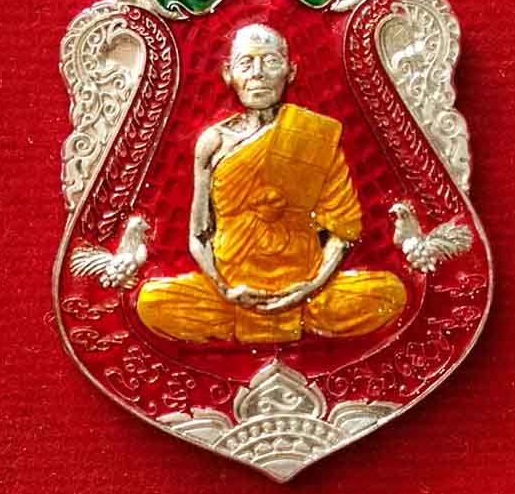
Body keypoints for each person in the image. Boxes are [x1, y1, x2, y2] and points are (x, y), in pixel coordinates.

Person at [137, 24, 406, 343]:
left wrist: (309, 287)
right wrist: (224, 288)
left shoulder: (315, 135)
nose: (258, 73)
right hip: (231, 292)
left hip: (307, 289)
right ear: (228, 74)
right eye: (246, 63)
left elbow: (342, 232)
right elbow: (198, 235)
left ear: (290, 72)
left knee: (390, 294)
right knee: (151, 302)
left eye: (271, 62)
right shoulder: (213, 142)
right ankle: (261, 318)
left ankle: (285, 314)